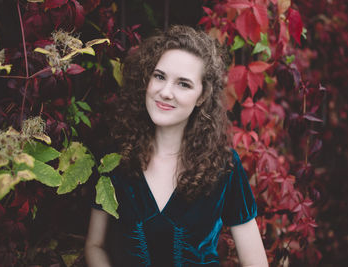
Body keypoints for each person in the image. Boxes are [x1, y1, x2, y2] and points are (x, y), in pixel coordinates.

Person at [85, 25, 268, 267]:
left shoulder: (224, 166)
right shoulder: (114, 158)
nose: (166, 92)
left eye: (184, 84)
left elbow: (255, 262)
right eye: (159, 76)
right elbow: (94, 245)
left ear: (202, 96)